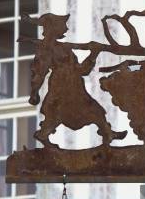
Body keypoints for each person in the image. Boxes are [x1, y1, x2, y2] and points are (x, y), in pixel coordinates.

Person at [25, 13, 127, 147]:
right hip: (61, 89)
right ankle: (44, 136)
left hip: (76, 88)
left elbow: (82, 70)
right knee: (57, 115)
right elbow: (40, 72)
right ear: (54, 28)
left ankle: (107, 133)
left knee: (95, 111)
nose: (66, 29)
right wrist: (34, 92)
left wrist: (93, 53)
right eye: (63, 25)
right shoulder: (45, 49)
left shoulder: (64, 48)